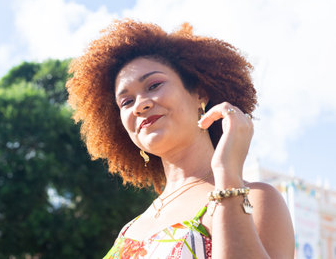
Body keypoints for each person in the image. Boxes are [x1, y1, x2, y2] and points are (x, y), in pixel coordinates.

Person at [66, 19, 294, 258]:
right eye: (126, 102)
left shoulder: (255, 198)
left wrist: (227, 173)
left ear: (200, 94)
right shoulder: (128, 231)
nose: (140, 105)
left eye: (154, 85)